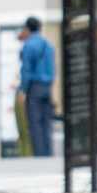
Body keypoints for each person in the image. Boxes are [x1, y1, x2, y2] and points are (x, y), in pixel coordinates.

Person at [18, 16, 56, 158]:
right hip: (47, 86)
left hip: (34, 86)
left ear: (28, 29)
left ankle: (39, 154)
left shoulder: (29, 45)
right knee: (47, 121)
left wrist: (23, 89)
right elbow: (52, 68)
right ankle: (48, 151)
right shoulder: (48, 45)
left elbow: (26, 69)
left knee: (35, 122)